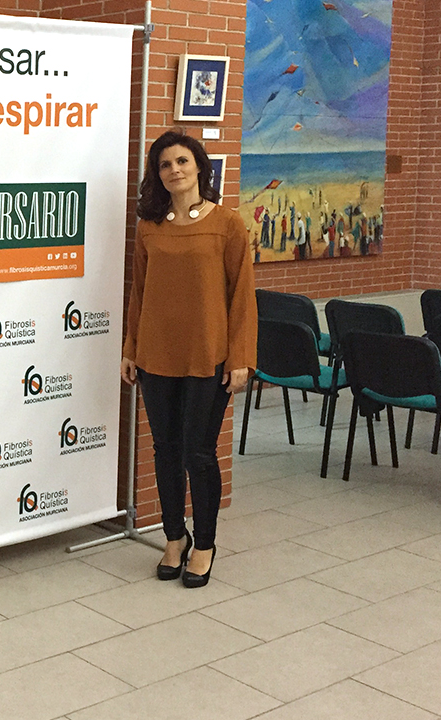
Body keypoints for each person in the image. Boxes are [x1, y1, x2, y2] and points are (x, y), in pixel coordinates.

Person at [120, 131, 257, 588]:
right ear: (157, 175)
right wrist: (130, 349)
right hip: (157, 355)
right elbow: (139, 292)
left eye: (182, 161)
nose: (174, 170)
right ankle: (174, 538)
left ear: (199, 166)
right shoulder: (149, 227)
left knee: (199, 453)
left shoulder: (227, 224)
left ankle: (205, 545)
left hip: (208, 357)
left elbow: (242, 296)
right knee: (165, 449)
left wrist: (241, 358)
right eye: (165, 164)